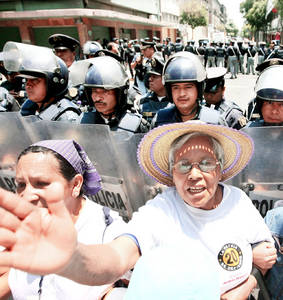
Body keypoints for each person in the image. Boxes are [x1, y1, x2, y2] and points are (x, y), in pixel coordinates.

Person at [0, 122, 276, 299]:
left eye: (205, 163)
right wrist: (70, 260)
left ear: (219, 168)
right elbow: (116, 257)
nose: (194, 174)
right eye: (183, 165)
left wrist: (247, 285)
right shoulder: (160, 212)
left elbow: (264, 251)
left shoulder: (238, 201)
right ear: (171, 174)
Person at [0, 139, 127, 299]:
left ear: (75, 185)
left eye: (41, 183)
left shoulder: (110, 234)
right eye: (21, 184)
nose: (27, 196)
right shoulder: (23, 229)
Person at [151, 52, 238, 128]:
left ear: (199, 89)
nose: (182, 94)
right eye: (176, 87)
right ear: (170, 91)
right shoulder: (159, 120)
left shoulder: (215, 120)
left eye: (188, 87)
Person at [3, 41, 81, 122]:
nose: (28, 85)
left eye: (35, 80)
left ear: (53, 85)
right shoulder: (29, 109)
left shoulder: (66, 117)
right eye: (27, 80)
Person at [80, 55, 148, 133]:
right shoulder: (83, 121)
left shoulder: (136, 125)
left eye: (105, 91)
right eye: (94, 91)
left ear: (119, 93)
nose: (98, 98)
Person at [137, 53, 172, 124]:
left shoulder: (175, 102)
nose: (150, 79)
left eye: (154, 77)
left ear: (164, 79)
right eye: (150, 76)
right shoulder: (143, 101)